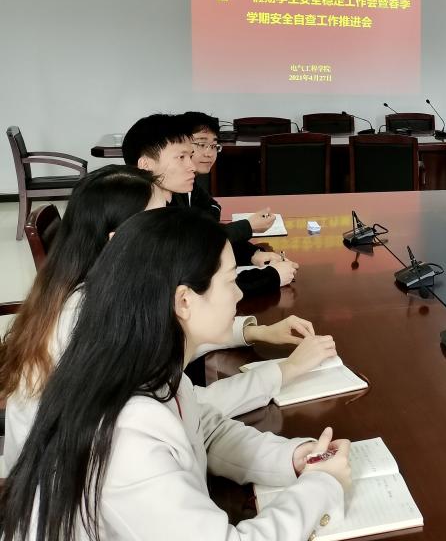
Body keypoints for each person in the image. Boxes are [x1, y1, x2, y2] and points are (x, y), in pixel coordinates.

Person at [0, 208, 350, 540]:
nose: (240, 293)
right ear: (184, 300)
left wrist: (293, 458)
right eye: (231, 281)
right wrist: (321, 486)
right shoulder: (126, 434)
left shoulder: (148, 364)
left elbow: (205, 431)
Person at [0, 166, 332, 470]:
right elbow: (184, 408)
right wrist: (285, 370)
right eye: (160, 219)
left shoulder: (99, 290)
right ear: (122, 240)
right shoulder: (90, 321)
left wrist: (252, 332)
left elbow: (172, 341)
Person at [177, 111, 297, 294]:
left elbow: (211, 218)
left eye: (214, 146)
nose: (209, 153)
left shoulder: (190, 186)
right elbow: (199, 248)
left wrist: (253, 254)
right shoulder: (165, 199)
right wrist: (271, 276)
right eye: (201, 144)